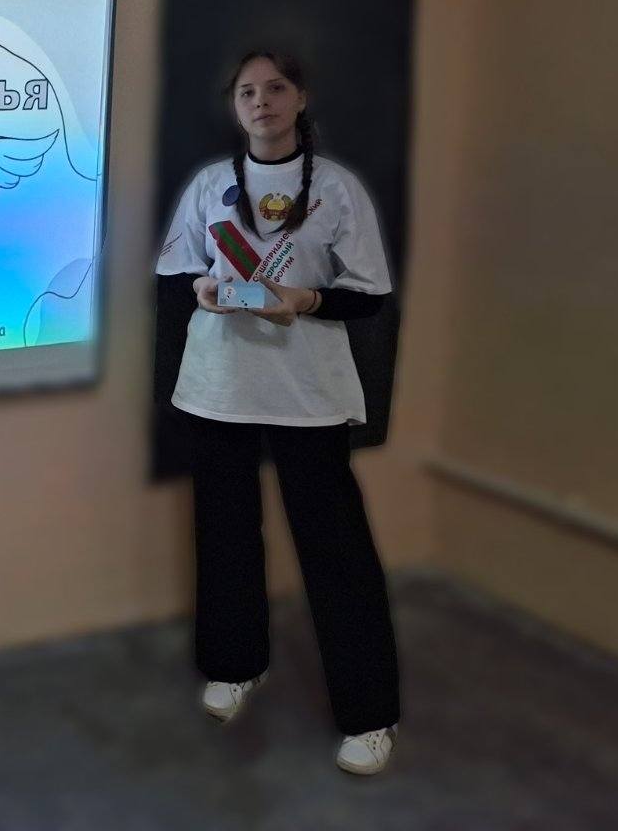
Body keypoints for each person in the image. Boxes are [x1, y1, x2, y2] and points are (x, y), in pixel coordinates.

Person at [155, 49, 401, 776]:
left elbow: (371, 295)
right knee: (225, 535)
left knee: (336, 552)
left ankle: (370, 714)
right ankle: (235, 666)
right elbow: (176, 274)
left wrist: (309, 300)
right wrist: (202, 289)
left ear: (300, 98)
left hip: (307, 395)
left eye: (274, 88)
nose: (260, 101)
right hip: (220, 387)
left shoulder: (337, 189)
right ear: (234, 106)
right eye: (246, 92)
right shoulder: (209, 186)